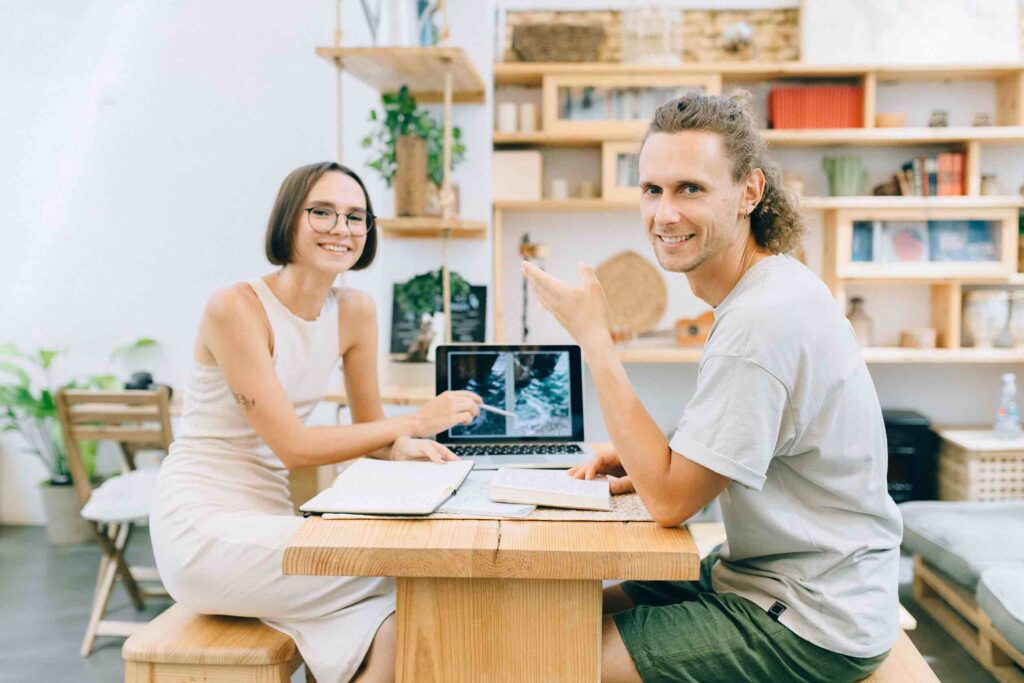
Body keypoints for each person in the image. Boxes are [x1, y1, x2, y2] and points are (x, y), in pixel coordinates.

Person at [523, 93, 902, 683]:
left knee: (542, 656)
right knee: (539, 614)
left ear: (749, 192)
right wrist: (650, 458)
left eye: (690, 189)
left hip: (810, 616)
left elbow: (671, 502)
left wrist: (594, 340)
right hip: (777, 576)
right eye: (653, 190)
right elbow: (737, 437)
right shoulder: (772, 287)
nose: (665, 214)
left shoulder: (757, 323)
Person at [150, 161, 481, 683]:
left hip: (272, 521)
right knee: (414, 581)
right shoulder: (235, 308)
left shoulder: (354, 311)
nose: (340, 228)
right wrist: (414, 421)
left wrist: (404, 446)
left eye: (355, 217)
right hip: (203, 527)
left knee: (395, 624)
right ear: (289, 219)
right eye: (321, 212)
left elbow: (371, 434)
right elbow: (295, 448)